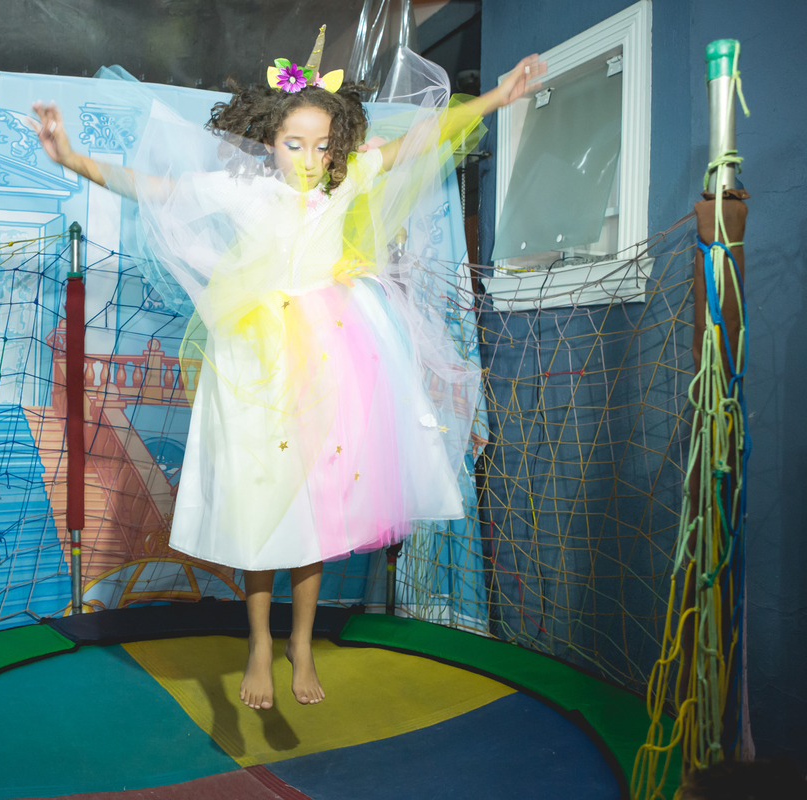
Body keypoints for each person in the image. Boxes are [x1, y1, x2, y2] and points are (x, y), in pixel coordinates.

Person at [28, 28, 543, 711]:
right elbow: (154, 186)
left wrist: (497, 98)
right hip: (256, 359)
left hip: (335, 352)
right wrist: (72, 158)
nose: (308, 158)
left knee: (317, 504)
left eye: (322, 145)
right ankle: (259, 642)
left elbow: (421, 139)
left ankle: (300, 641)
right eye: (293, 144)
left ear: (339, 144)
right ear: (269, 139)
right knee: (262, 500)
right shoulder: (241, 189)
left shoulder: (346, 180)